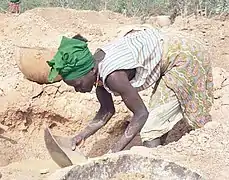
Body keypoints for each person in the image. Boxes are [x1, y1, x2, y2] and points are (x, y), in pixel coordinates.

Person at [47, 27, 213, 153]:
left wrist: (115, 152)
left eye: (77, 84)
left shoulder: (113, 77)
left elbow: (141, 113)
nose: (78, 90)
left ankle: (153, 168)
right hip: (168, 49)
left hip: (183, 56)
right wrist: (80, 136)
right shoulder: (96, 69)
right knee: (158, 117)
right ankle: (157, 154)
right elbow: (106, 110)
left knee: (150, 130)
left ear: (90, 71)